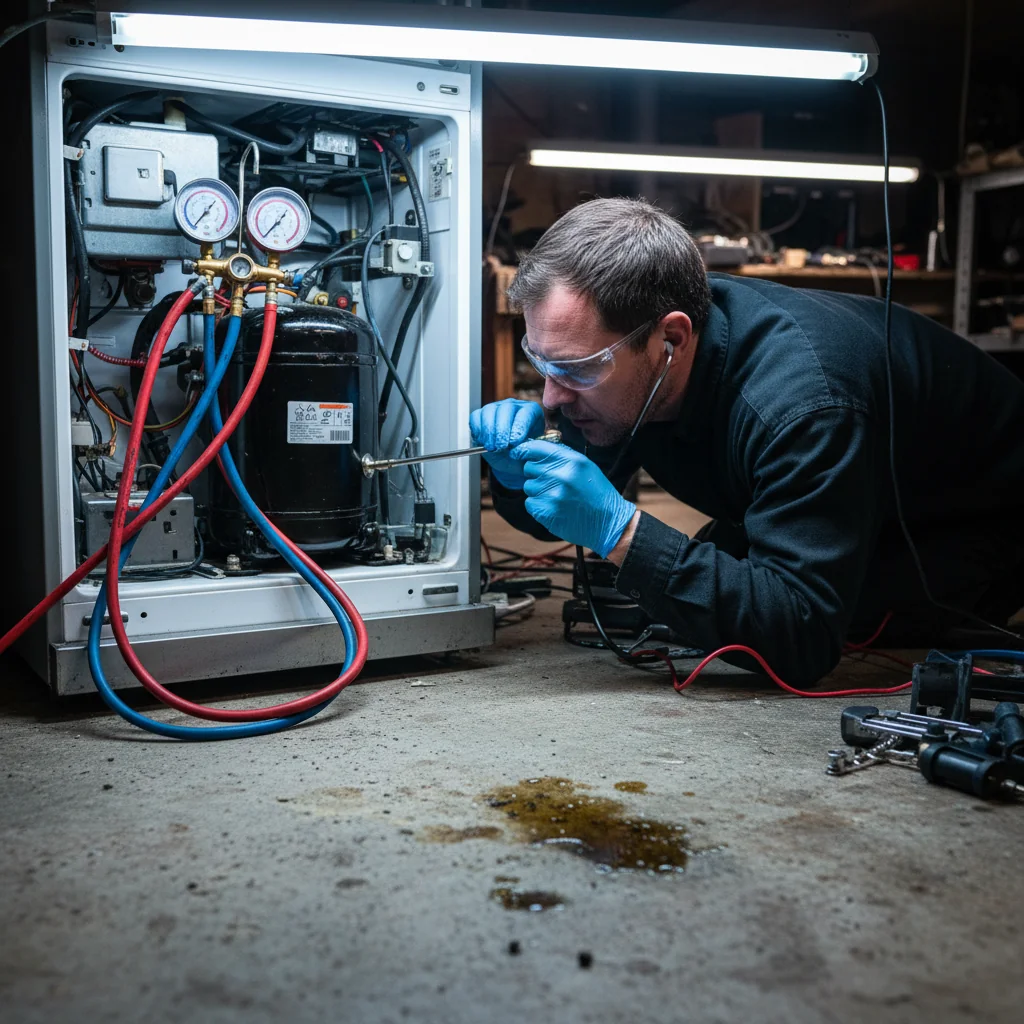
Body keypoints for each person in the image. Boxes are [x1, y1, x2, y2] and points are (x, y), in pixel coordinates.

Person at [471, 198, 1024, 687]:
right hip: (852, 488)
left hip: (969, 524)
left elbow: (803, 640)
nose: (551, 396)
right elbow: (570, 505)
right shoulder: (631, 362)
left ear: (671, 339)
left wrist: (622, 533)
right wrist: (518, 479)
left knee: (764, 612)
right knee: (700, 582)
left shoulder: (804, 406)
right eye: (541, 361)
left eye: (575, 368)